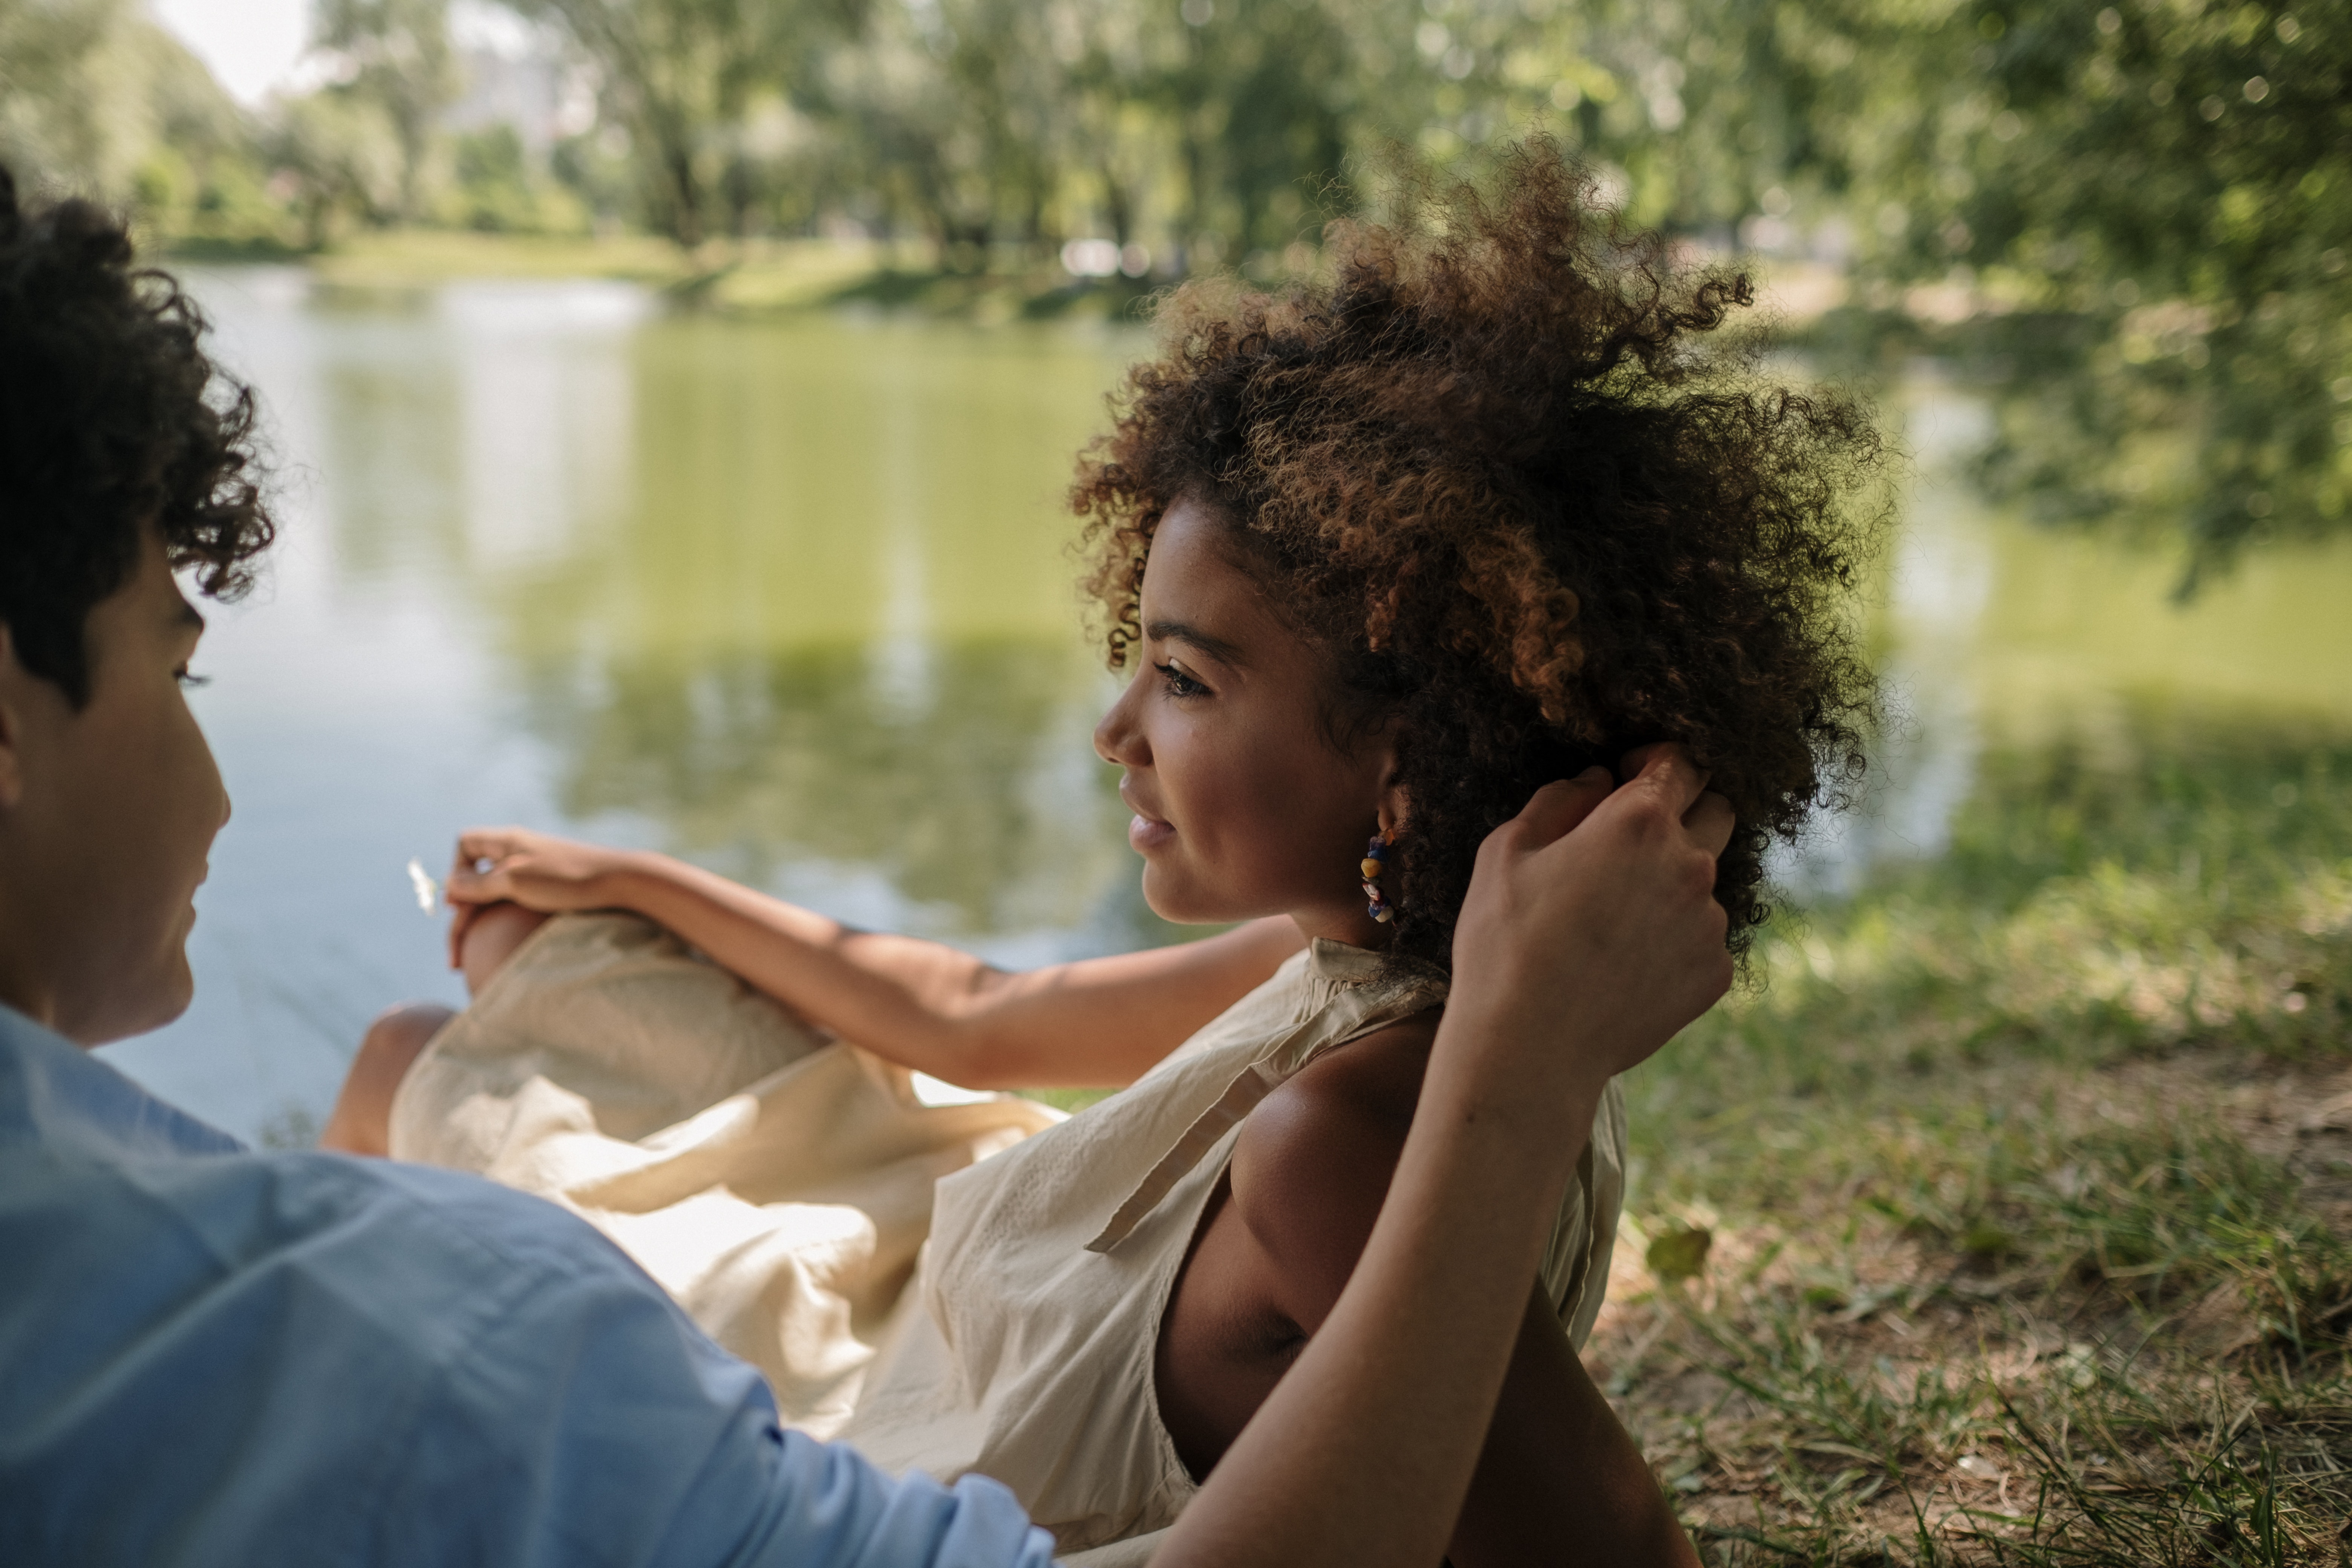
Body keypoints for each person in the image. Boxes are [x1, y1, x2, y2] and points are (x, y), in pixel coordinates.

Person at [0, 162, 1741, 1566]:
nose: (1113, 730)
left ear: (1408, 760)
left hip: (907, 1423)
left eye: (1189, 680)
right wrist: (645, 880)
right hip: (953, 1293)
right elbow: (981, 1014)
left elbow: (1610, 1539)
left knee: (439, 1059)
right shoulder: (1342, 972)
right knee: (488, 1009)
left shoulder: (1356, 1125)